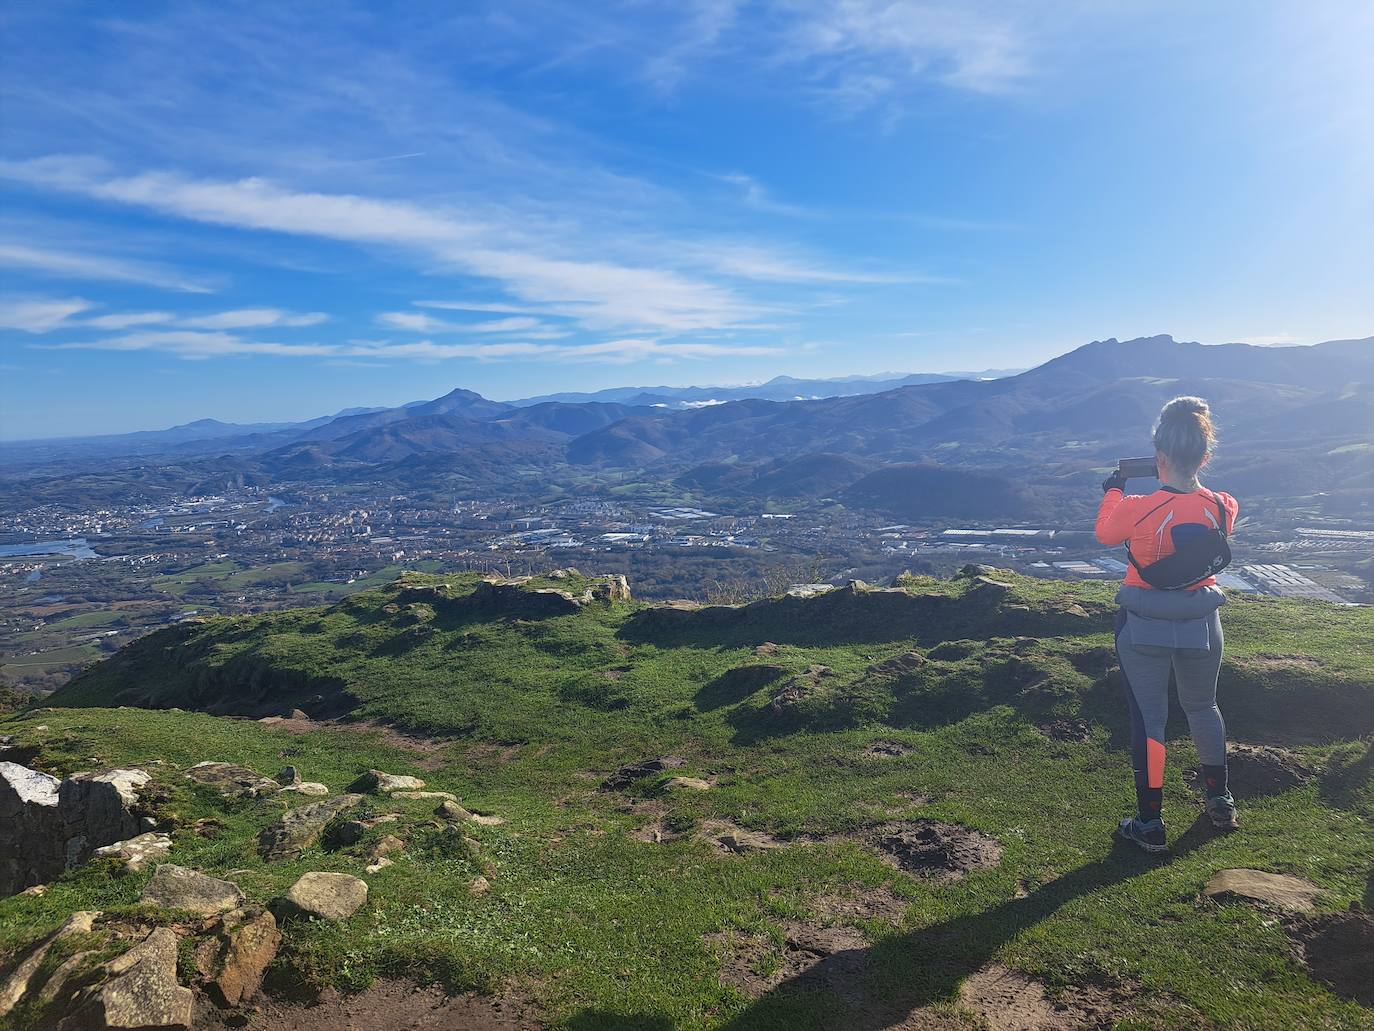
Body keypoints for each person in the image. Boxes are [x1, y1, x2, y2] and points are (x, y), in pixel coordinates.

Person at [1095, 396, 1240, 853]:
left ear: (1158, 457)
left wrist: (1113, 490)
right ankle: (1220, 800)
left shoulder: (1136, 505)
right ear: (1205, 456)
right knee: (1203, 706)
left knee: (1150, 721)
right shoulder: (1223, 505)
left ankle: (1150, 823)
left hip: (1142, 623)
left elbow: (1105, 534)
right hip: (1201, 621)